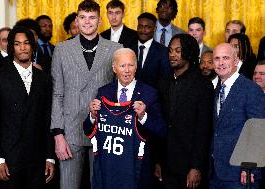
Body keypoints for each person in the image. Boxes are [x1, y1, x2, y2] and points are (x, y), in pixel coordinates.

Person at [50, 1, 122, 189]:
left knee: (101, 185)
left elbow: (122, 91)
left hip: (104, 131)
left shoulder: (115, 48)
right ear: (77, 20)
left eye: (92, 18)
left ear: (99, 20)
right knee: (68, 185)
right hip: (70, 132)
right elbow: (57, 94)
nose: (87, 22)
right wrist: (58, 134)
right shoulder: (61, 49)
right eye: (83, 17)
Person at [83, 48, 166, 189]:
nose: (127, 70)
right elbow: (87, 129)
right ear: (114, 68)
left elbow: (161, 131)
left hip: (136, 168)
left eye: (130, 65)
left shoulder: (149, 93)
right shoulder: (104, 92)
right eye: (122, 66)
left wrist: (143, 117)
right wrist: (92, 115)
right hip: (109, 167)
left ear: (136, 67)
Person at [0, 26, 55, 189]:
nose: (22, 48)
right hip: (8, 160)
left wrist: (50, 157)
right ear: (11, 47)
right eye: (17, 44)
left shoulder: (44, 78)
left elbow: (48, 120)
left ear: (32, 46)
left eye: (26, 43)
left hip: (37, 160)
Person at [156, 33, 214, 189]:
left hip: (189, 167)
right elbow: (161, 123)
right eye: (170, 50)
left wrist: (196, 167)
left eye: (177, 50)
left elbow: (204, 130)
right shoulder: (163, 81)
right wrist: (158, 161)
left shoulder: (203, 85)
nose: (172, 54)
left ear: (188, 52)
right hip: (165, 164)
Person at [210, 43, 265, 189]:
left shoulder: (250, 89)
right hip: (215, 172)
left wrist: (250, 169)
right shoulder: (216, 89)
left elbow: (258, 131)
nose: (221, 63)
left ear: (236, 61)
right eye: (217, 58)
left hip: (241, 174)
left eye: (226, 58)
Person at [131, 12, 170, 89]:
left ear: (155, 28)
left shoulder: (163, 52)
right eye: (140, 26)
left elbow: (164, 80)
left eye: (147, 27)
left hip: (153, 98)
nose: (143, 30)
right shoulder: (128, 49)